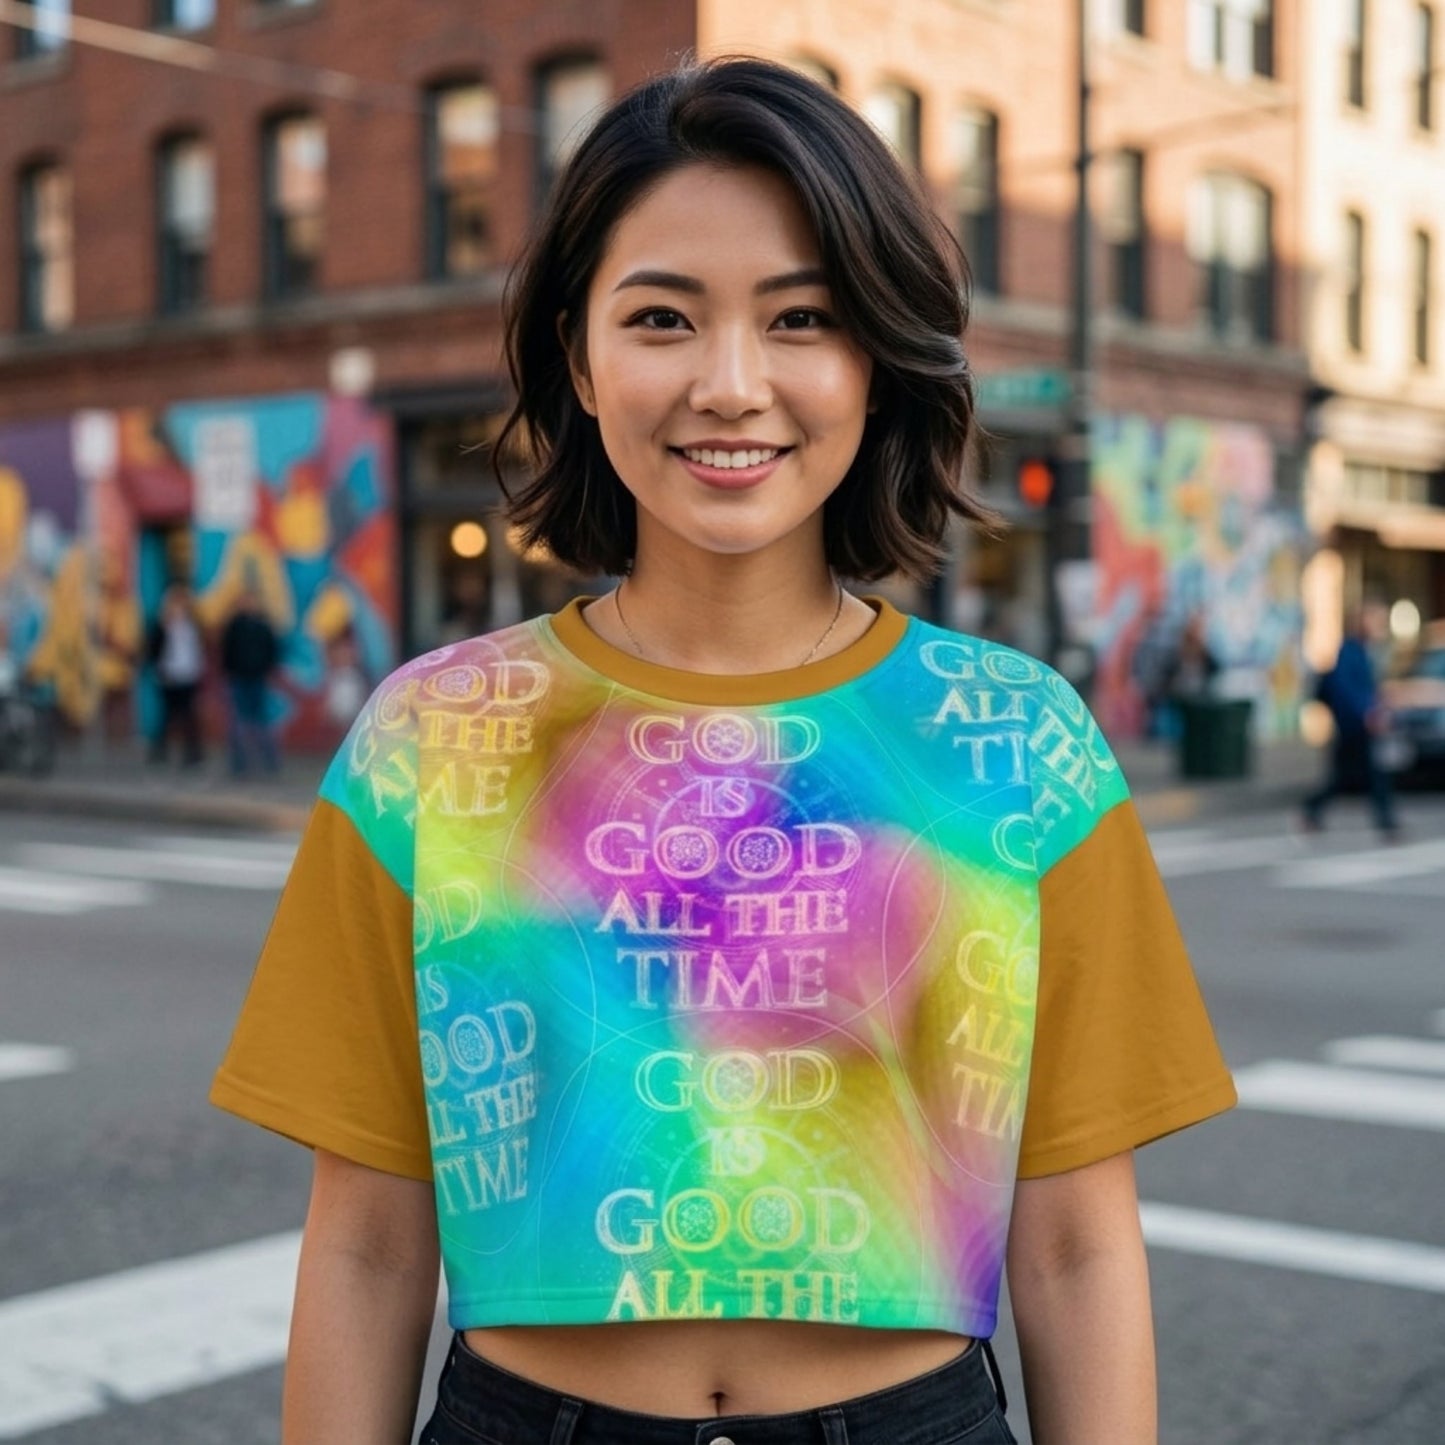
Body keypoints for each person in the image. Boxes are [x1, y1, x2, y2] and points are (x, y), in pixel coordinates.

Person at [212, 58, 1235, 1445]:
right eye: (662, 318)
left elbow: (1074, 1248)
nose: (731, 384)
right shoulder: (427, 737)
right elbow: (367, 1247)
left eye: (802, 317)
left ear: (875, 359)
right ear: (579, 357)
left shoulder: (1019, 740)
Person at [1303, 610, 1399, 838]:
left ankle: (1313, 809)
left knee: (1351, 775)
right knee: (1368, 774)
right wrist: (1366, 713)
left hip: (1360, 723)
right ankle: (1385, 820)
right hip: (1353, 725)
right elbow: (1346, 689)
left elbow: (1367, 688)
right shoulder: (1350, 651)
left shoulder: (1364, 652)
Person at [221, 584, 281, 776]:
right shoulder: (234, 626)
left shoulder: (263, 626)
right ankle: (239, 763)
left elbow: (271, 649)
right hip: (239, 678)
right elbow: (227, 651)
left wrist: (265, 668)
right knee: (238, 722)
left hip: (258, 678)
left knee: (261, 721)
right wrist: (230, 671)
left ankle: (270, 761)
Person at [146, 583, 205, 766]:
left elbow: (196, 651)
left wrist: (197, 670)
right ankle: (159, 751)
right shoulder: (163, 627)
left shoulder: (191, 626)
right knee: (167, 716)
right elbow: (153, 650)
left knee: (189, 717)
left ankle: (192, 754)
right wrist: (160, 670)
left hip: (188, 676)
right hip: (169, 675)